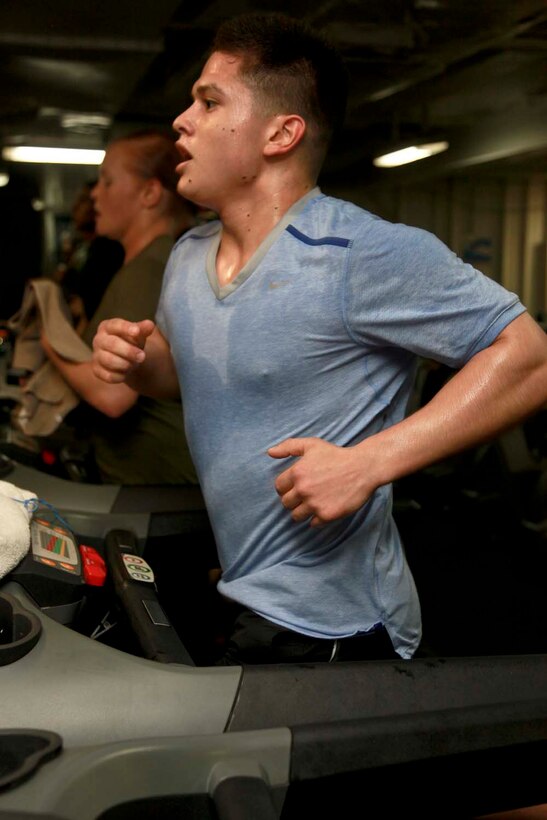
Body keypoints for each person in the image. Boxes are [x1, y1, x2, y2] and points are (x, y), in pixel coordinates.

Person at [91, 14, 547, 662]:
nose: (181, 121)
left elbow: (530, 356)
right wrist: (140, 361)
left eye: (209, 100)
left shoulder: (359, 253)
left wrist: (370, 461)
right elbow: (184, 374)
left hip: (343, 626)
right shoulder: (188, 256)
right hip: (246, 589)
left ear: (281, 133)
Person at [41, 130, 198, 486]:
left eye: (107, 182)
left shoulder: (149, 268)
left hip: (153, 488)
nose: (95, 193)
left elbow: (114, 395)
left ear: (150, 193)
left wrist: (51, 343)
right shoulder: (150, 260)